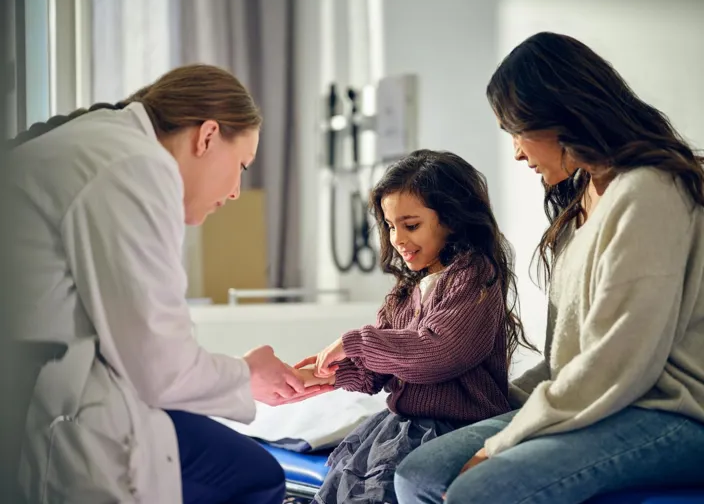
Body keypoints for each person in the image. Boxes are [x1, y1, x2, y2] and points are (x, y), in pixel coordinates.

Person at [394, 32, 704, 504]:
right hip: (607, 399)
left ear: (560, 118)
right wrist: (500, 401)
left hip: (670, 411)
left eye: (517, 132)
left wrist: (501, 441)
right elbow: (572, 356)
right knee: (417, 474)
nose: (517, 152)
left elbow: (619, 364)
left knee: (480, 490)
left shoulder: (648, 192)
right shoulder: (583, 200)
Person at [0, 64, 332, 503]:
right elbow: (159, 368)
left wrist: (239, 375)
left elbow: (143, 346)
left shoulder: (102, 141)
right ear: (208, 136)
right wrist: (246, 374)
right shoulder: (136, 165)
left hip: (49, 389)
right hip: (50, 414)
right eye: (242, 165)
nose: (235, 192)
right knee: (253, 475)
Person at [294, 150, 535, 503]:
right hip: (401, 426)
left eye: (411, 225)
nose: (398, 239)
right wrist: (328, 375)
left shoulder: (473, 275)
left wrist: (356, 343)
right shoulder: (406, 291)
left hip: (449, 428)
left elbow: (438, 352)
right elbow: (378, 373)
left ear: (451, 219)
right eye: (391, 226)